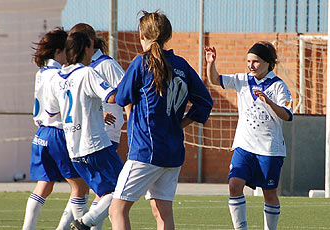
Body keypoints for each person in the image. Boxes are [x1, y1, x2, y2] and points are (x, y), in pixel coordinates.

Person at [108, 10, 213, 230]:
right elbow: (206, 102)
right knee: (162, 213)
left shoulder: (141, 62)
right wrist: (180, 123)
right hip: (173, 153)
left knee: (117, 210)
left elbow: (122, 97)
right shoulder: (182, 65)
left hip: (146, 151)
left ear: (141, 36)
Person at [205, 41, 293, 230]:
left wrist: (269, 102)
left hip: (269, 149)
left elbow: (288, 115)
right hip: (244, 146)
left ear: (268, 63)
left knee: (269, 193)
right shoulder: (241, 79)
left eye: (256, 61)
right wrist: (211, 63)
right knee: (234, 185)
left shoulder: (278, 86)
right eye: (248, 61)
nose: (250, 65)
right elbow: (215, 80)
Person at [46, 32, 123, 230]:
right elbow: (112, 96)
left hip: (74, 150)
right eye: (91, 47)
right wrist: (133, 87)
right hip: (96, 144)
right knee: (124, 188)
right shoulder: (87, 73)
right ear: (84, 49)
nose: (93, 51)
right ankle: (84, 223)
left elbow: (53, 110)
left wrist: (91, 113)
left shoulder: (58, 77)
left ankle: (78, 224)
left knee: (105, 194)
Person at [22, 28, 89, 230]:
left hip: (41, 134)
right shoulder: (58, 75)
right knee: (81, 186)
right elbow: (65, 104)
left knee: (44, 186)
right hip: (59, 133)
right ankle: (79, 226)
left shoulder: (41, 73)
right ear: (60, 51)